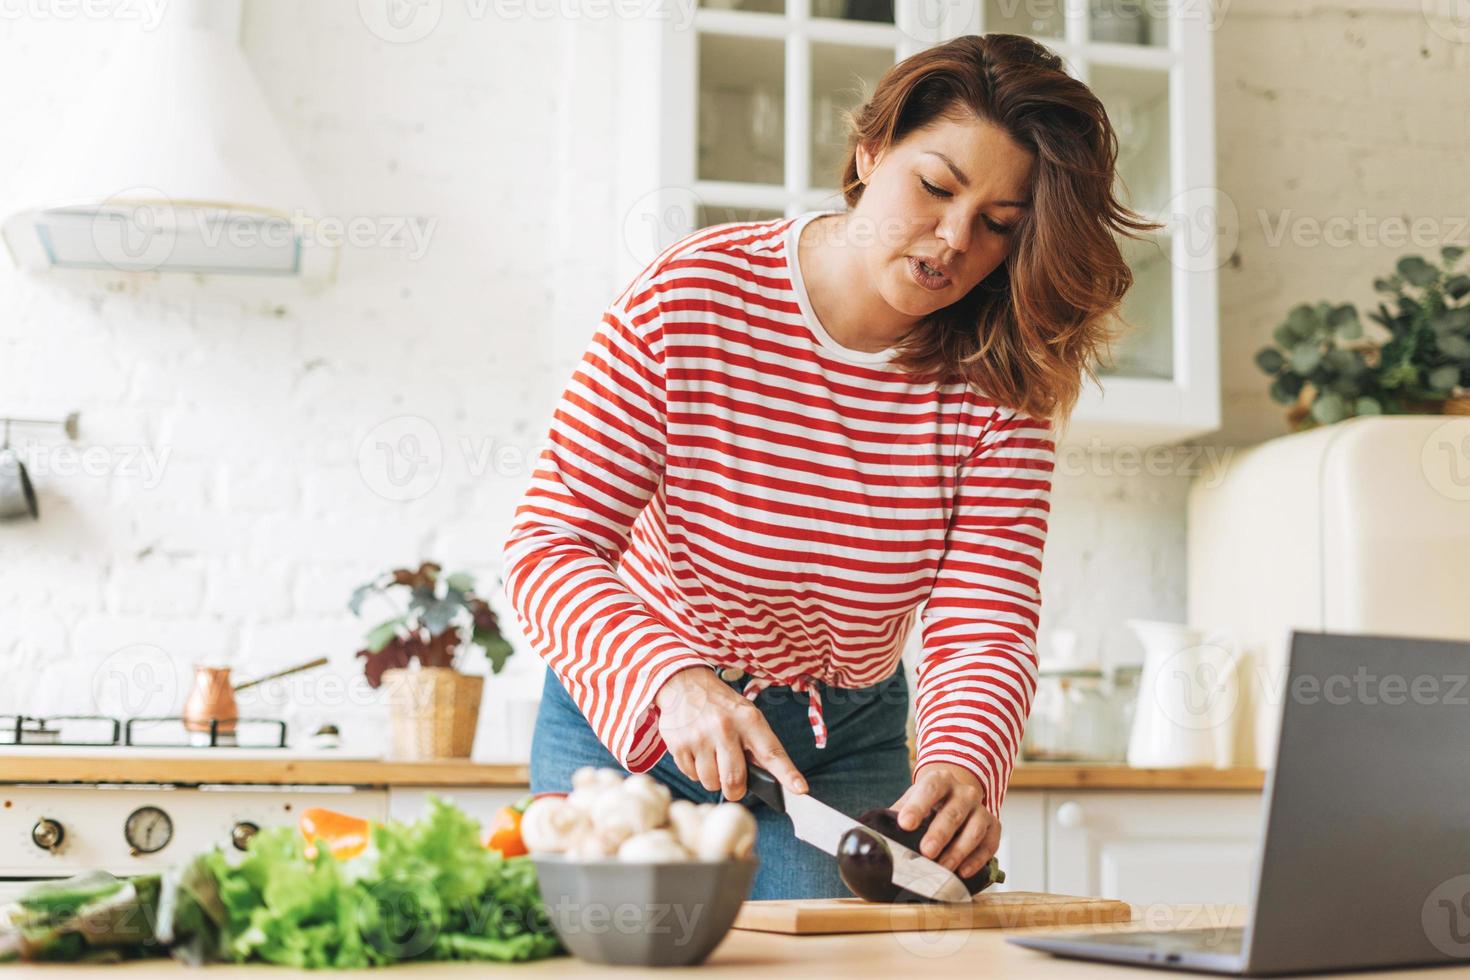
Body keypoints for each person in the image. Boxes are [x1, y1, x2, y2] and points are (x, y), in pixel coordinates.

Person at [502, 32, 1157, 899]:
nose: (954, 239)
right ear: (870, 149)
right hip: (635, 719)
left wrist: (964, 762)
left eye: (1000, 225)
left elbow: (984, 613)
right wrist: (672, 681)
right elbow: (548, 543)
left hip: (837, 744)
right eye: (935, 187)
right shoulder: (689, 299)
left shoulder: (1003, 377)